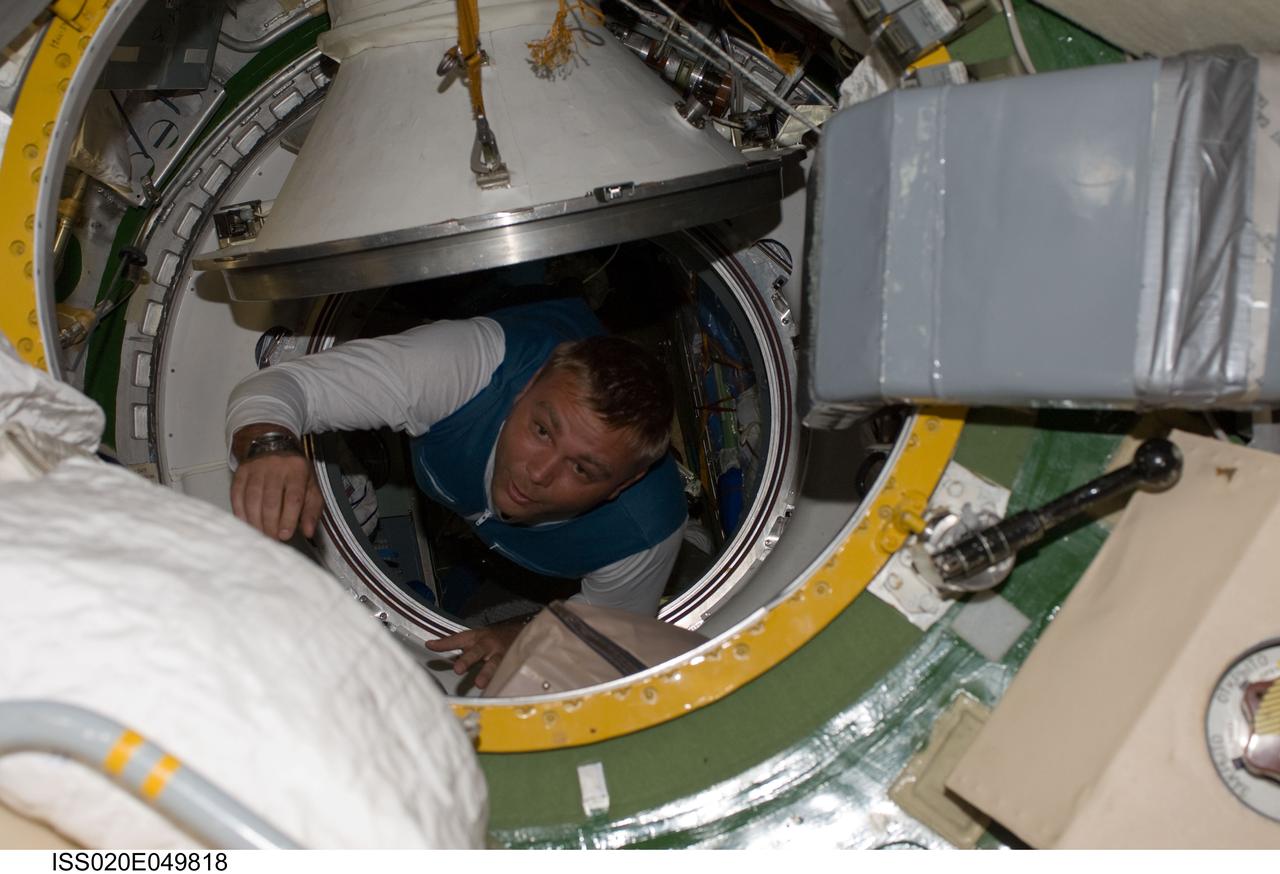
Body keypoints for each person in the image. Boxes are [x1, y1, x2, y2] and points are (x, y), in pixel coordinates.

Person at [225, 297, 687, 688]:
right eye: (542, 430)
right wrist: (271, 446)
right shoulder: (471, 367)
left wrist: (528, 633)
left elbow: (604, 635)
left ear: (623, 486)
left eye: (582, 469)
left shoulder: (644, 532)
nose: (539, 473)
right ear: (524, 389)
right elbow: (284, 385)